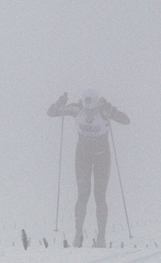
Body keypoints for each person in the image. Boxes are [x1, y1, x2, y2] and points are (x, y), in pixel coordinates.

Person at [47, 89, 130, 248]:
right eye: (87, 109)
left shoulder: (103, 110)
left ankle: (101, 238)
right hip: (84, 157)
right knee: (83, 195)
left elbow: (126, 120)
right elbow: (51, 112)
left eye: (92, 109)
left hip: (101, 158)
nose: (90, 112)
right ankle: (79, 234)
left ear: (97, 103)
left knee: (99, 196)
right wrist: (60, 102)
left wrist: (112, 110)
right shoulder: (76, 109)